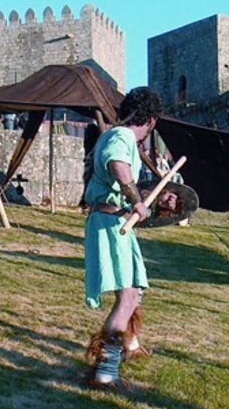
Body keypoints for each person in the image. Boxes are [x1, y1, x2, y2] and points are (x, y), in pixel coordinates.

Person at [83, 87, 162, 388]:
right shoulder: (122, 137)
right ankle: (105, 372)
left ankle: (130, 345)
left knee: (133, 291)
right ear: (151, 120)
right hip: (111, 221)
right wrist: (135, 198)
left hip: (114, 219)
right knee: (127, 296)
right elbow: (118, 165)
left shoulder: (114, 134)